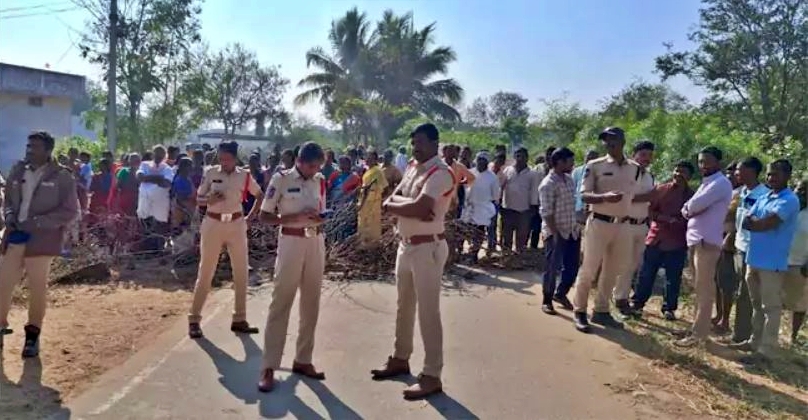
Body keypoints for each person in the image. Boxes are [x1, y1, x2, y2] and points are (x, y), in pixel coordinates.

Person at [371, 123, 454, 400]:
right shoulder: (412, 168)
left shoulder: (440, 173)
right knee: (403, 306)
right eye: (413, 142)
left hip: (427, 248)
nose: (415, 147)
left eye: (420, 142)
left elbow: (420, 207)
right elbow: (395, 197)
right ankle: (400, 357)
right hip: (405, 246)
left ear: (434, 143)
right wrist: (403, 206)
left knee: (428, 312)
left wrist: (402, 207)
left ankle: (432, 374)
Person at [257, 142, 328, 393]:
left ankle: (303, 359)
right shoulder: (282, 179)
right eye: (311, 165)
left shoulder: (320, 180)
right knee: (281, 303)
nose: (315, 169)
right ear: (299, 160)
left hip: (316, 242)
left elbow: (321, 209)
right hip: (290, 242)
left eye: (319, 165)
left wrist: (319, 217)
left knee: (311, 304)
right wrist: (292, 218)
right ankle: (269, 366)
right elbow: (264, 216)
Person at [0, 131, 78, 357]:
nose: (29, 149)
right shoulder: (17, 170)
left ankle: (32, 336)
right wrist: (10, 215)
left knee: (37, 289)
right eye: (28, 145)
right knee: (3, 284)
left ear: (47, 150)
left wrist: (38, 223)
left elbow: (70, 211)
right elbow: (8, 201)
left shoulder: (62, 177)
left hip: (42, 240)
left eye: (34, 146)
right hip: (15, 237)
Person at [188, 141, 264, 339]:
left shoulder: (244, 176)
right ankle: (194, 319)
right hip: (213, 224)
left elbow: (260, 195)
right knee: (206, 272)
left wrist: (251, 217)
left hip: (237, 225)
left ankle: (240, 318)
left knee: (241, 272)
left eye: (227, 159)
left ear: (235, 158)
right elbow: (198, 199)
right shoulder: (211, 173)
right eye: (221, 158)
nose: (223, 162)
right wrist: (208, 201)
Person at [571, 127, 640, 333]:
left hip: (624, 225)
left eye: (613, 139)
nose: (609, 144)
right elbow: (583, 195)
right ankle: (580, 310)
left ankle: (601, 311)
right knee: (589, 269)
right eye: (606, 140)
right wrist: (604, 197)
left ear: (623, 141)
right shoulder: (594, 166)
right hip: (599, 223)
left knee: (612, 270)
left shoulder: (634, 168)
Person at [731, 160, 799, 363]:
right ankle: (754, 341)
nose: (771, 178)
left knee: (771, 307)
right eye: (769, 174)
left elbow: (766, 224)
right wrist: (757, 223)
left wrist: (757, 223)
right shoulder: (766, 196)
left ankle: (767, 351)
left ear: (787, 176)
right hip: (754, 257)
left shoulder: (790, 200)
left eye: (776, 175)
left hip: (773, 262)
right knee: (757, 305)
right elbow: (747, 220)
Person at [675, 146, 734, 347]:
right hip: (696, 240)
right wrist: (688, 209)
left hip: (706, 242)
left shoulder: (720, 183)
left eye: (707, 161)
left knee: (705, 289)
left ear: (718, 162)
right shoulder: (707, 182)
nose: (703, 165)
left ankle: (699, 335)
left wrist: (689, 209)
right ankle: (695, 329)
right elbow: (689, 207)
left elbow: (693, 206)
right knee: (698, 288)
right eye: (701, 161)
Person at [631, 161, 695, 320]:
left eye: (683, 172)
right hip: (656, 238)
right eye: (676, 171)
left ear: (689, 176)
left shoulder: (692, 196)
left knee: (673, 278)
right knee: (646, 274)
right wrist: (665, 218)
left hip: (677, 241)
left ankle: (669, 308)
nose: (678, 175)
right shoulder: (661, 189)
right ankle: (637, 303)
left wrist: (679, 222)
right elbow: (650, 211)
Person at [728, 157, 768, 344]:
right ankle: (741, 332)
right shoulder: (743, 192)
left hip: (752, 250)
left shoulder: (764, 195)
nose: (736, 173)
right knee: (740, 292)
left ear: (752, 171)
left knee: (746, 294)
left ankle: (742, 336)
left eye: (740, 170)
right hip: (739, 246)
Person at [614, 141, 656, 318]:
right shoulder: (626, 174)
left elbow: (652, 201)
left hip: (642, 225)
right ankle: (619, 299)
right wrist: (646, 197)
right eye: (643, 154)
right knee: (623, 263)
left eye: (650, 155)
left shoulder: (649, 176)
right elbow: (621, 197)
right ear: (634, 154)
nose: (647, 159)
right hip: (626, 223)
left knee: (634, 264)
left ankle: (623, 297)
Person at [538, 147, 580, 314]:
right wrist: (555, 234)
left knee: (572, 267)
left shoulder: (569, 180)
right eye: (570, 161)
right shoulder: (547, 184)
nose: (572, 164)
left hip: (572, 230)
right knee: (552, 268)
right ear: (560, 162)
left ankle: (560, 293)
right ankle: (547, 300)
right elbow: (546, 213)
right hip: (556, 233)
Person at [713, 162, 742, 335]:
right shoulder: (727, 191)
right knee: (717, 281)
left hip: (731, 242)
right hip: (717, 237)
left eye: (735, 173)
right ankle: (718, 315)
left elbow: (734, 217)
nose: (731, 176)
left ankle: (725, 320)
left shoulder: (743, 194)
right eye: (729, 172)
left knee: (727, 283)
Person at [460, 152, 500, 263]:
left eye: (483, 160)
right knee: (464, 231)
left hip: (483, 209)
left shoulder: (492, 177)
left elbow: (495, 196)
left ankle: (474, 254)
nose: (481, 162)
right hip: (468, 207)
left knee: (478, 233)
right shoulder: (469, 173)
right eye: (479, 159)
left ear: (487, 162)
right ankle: (461, 253)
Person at [136, 146, 174, 255]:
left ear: (164, 156)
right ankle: (147, 250)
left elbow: (167, 183)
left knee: (159, 226)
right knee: (145, 225)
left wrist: (148, 178)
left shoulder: (167, 168)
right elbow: (140, 177)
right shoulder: (144, 165)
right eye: (156, 154)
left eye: (161, 155)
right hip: (145, 200)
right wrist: (158, 178)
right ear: (153, 154)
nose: (158, 157)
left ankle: (158, 250)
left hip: (160, 202)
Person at [783, 180, 808, 345]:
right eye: (800, 189)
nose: (802, 193)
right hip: (777, 261)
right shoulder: (786, 208)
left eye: (806, 191)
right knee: (773, 300)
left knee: (799, 303)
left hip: (800, 264)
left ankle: (792, 336)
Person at [500, 148, 539, 253]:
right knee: (506, 236)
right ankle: (507, 257)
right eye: (517, 156)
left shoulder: (532, 173)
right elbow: (501, 187)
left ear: (527, 158)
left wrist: (533, 208)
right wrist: (500, 205)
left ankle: (519, 258)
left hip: (524, 210)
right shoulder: (508, 170)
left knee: (522, 236)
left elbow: (534, 191)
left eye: (522, 156)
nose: (520, 159)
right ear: (514, 157)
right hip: (508, 209)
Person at [357, 149, 389, 245]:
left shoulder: (378, 171)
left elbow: (385, 187)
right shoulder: (367, 171)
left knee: (372, 226)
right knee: (363, 224)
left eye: (370, 159)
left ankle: (373, 247)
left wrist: (381, 201)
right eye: (367, 158)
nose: (368, 160)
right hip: (364, 203)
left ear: (375, 160)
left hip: (373, 203)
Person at [170, 157, 196, 236]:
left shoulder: (187, 179)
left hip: (189, 211)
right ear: (184, 167)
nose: (192, 167)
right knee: (181, 235)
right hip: (182, 212)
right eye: (190, 166)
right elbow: (180, 198)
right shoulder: (179, 180)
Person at [572, 150, 599, 224]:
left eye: (593, 158)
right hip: (579, 207)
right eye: (588, 158)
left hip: (594, 209)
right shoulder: (577, 171)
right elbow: (572, 189)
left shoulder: (601, 172)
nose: (590, 160)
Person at [488, 152, 507, 252]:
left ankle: (491, 246)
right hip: (483, 200)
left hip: (494, 202)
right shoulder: (487, 168)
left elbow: (502, 190)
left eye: (501, 162)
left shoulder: (502, 176)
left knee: (492, 225)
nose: (498, 163)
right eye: (497, 160)